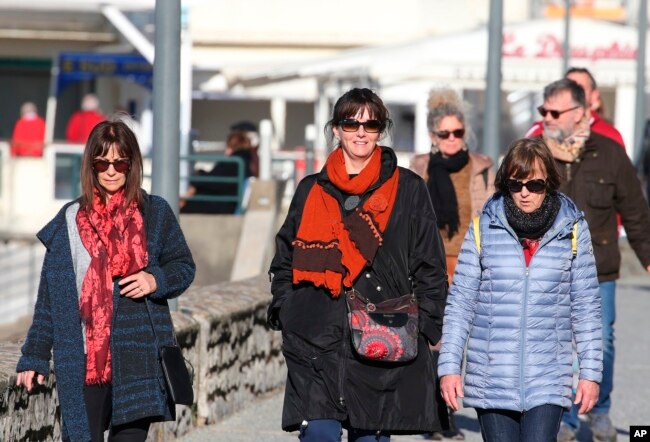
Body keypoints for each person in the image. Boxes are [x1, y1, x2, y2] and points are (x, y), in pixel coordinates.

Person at [267, 87, 448, 441]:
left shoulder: (408, 188)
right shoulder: (311, 189)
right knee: (318, 433)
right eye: (351, 124)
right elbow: (285, 257)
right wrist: (287, 309)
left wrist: (424, 327)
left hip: (382, 334)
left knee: (370, 436)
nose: (361, 132)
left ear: (382, 129)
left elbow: (430, 265)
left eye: (371, 124)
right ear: (336, 129)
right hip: (316, 334)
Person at [16, 119, 196, 442]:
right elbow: (49, 299)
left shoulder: (155, 213)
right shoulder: (70, 221)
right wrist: (35, 355)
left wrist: (154, 280)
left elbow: (184, 266)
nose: (111, 171)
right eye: (102, 162)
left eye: (119, 162)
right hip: (84, 365)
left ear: (132, 165)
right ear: (91, 166)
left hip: (139, 361)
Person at [438, 137, 603, 442]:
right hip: (492, 378)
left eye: (535, 185)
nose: (525, 193)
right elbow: (460, 303)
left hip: (548, 380)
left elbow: (587, 308)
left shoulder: (573, 229)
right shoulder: (483, 227)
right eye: (516, 185)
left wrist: (591, 375)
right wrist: (449, 367)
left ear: (549, 184)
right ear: (505, 184)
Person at [536, 78, 650, 442]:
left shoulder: (611, 153)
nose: (547, 118)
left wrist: (648, 258)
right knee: (554, 344)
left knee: (600, 343)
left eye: (555, 112)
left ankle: (599, 410)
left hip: (598, 269)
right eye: (544, 111)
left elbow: (635, 212)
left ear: (581, 113)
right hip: (546, 269)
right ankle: (565, 418)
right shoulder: (533, 152)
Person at [410, 88, 494, 440]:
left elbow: (493, 212)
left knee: (461, 342)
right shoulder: (419, 168)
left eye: (457, 133)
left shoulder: (482, 166)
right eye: (444, 134)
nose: (451, 140)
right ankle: (438, 418)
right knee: (434, 341)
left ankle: (452, 411)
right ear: (433, 136)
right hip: (430, 264)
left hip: (470, 263)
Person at [525, 67, 625, 148]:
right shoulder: (538, 131)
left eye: (580, 88)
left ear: (594, 95)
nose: (573, 92)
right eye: (567, 87)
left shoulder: (610, 135)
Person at [180, 130, 255, 214]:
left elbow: (215, 181)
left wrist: (197, 177)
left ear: (231, 146)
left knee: (181, 208)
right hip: (226, 202)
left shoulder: (233, 162)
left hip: (221, 205)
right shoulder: (245, 161)